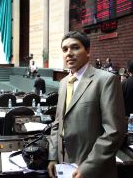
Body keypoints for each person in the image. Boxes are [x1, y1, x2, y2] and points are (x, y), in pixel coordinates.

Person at [47, 31, 126, 178]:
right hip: (64, 166)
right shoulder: (64, 83)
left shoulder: (106, 80)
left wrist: (88, 167)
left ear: (88, 51)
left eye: (75, 47)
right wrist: (53, 157)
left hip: (93, 169)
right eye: (65, 49)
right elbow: (58, 123)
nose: (69, 53)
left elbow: (114, 131)